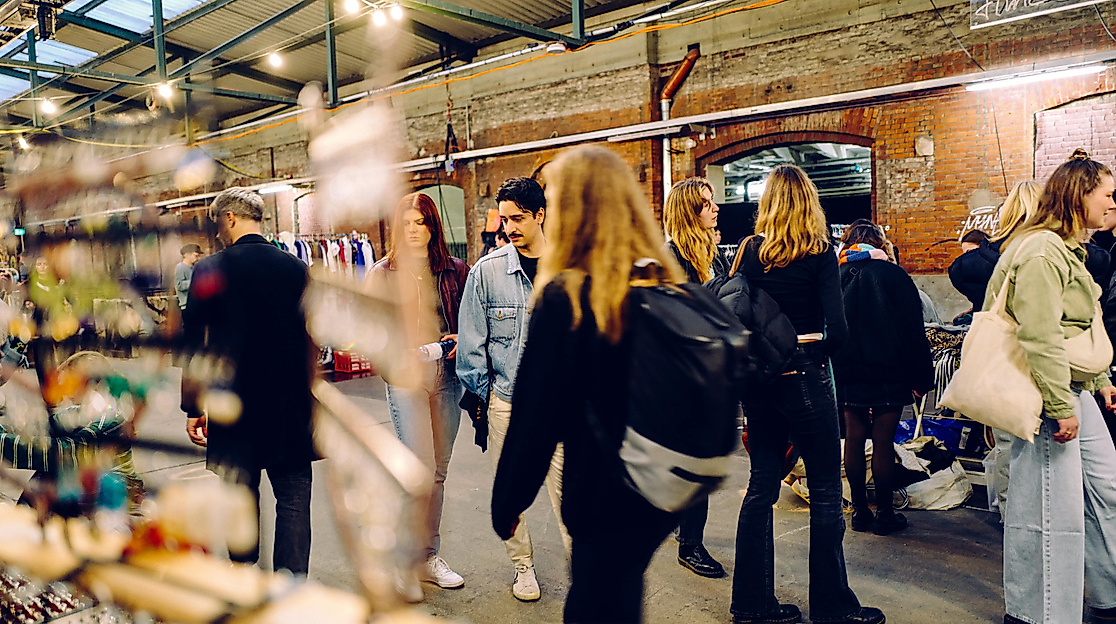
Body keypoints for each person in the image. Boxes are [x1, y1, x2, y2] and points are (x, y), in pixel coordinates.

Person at [491, 145, 687, 623]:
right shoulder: (662, 283)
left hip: (600, 490)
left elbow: (536, 420)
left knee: (595, 607)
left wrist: (509, 503)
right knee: (620, 598)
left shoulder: (568, 296)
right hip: (658, 489)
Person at [730, 164, 884, 624]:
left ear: (768, 203)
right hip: (805, 377)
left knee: (761, 484)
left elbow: (737, 310)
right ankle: (833, 608)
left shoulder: (749, 252)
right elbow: (838, 331)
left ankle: (752, 604)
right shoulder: (819, 253)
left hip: (758, 382)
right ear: (809, 203)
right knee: (822, 488)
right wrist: (809, 349)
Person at [986, 151, 1116, 624]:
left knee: (1107, 488)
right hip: (1044, 393)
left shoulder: (1065, 250)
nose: (1112, 201)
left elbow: (1074, 327)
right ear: (1080, 195)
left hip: (1071, 388)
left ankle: (1108, 598)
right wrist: (1060, 405)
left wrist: (1097, 380)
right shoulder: (1041, 250)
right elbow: (1039, 334)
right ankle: (1036, 615)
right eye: (1107, 192)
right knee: (1046, 511)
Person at [181, 187, 316, 576]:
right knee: (293, 497)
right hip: (290, 403)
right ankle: (291, 585)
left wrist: (193, 406)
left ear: (229, 218)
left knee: (240, 493)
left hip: (233, 402)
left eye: (217, 224)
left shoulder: (209, 269)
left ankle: (244, 576)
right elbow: (311, 335)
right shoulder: (295, 267)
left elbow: (195, 344)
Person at [457, 176, 571, 602]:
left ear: (540, 214)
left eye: (518, 218)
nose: (508, 227)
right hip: (507, 404)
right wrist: (487, 402)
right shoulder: (486, 273)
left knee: (572, 496)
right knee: (510, 497)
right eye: (504, 219)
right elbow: (471, 348)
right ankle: (523, 568)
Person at [369, 192, 470, 599]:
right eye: (406, 223)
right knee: (416, 473)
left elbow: (470, 322)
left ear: (433, 227)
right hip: (407, 377)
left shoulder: (456, 270)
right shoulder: (382, 273)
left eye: (421, 223)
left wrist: (464, 339)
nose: (413, 231)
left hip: (447, 375)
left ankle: (428, 557)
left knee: (437, 474)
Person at [832, 222, 933, 536]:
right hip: (890, 370)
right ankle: (886, 514)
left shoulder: (835, 276)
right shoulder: (894, 275)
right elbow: (913, 331)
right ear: (881, 244)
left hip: (847, 370)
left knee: (853, 438)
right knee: (884, 443)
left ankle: (860, 513)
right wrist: (922, 377)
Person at [662, 176, 728, 578]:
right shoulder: (669, 260)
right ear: (690, 212)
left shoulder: (713, 254)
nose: (715, 208)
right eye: (707, 203)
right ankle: (691, 545)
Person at [949, 182, 1041, 317]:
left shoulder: (971, 264)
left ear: (1006, 213)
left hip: (999, 331)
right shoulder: (1064, 252)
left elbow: (956, 271)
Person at [175, 244, 202, 311]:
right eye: (196, 256)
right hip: (187, 305)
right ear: (186, 255)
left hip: (197, 304)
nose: (198, 258)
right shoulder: (180, 267)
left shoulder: (195, 267)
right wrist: (195, 282)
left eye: (199, 256)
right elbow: (179, 285)